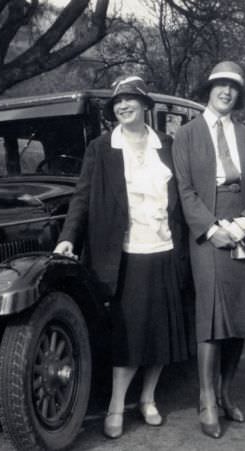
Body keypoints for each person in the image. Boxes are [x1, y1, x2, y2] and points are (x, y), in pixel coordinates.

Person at [54, 75, 189, 439]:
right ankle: (116, 404)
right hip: (123, 254)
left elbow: (186, 196)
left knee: (161, 333)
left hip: (164, 248)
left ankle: (147, 399)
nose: (124, 106)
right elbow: (81, 197)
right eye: (118, 102)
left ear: (145, 105)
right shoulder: (101, 148)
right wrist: (68, 238)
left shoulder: (169, 145)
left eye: (131, 99)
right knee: (127, 336)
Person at [172, 61, 245, 439]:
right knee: (212, 318)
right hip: (209, 234)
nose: (226, 92)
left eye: (233, 87)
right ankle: (205, 400)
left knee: (239, 317)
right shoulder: (186, 135)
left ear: (239, 94)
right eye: (220, 85)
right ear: (209, 89)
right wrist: (211, 229)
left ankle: (225, 393)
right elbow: (185, 190)